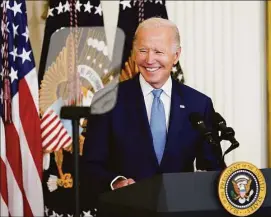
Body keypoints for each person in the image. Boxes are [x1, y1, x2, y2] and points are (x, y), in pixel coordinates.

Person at [82, 17, 225, 195]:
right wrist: (116, 182)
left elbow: (213, 168)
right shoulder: (106, 100)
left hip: (180, 207)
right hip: (125, 208)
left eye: (159, 52)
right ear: (134, 53)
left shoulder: (198, 104)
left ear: (176, 56)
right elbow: (90, 165)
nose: (150, 60)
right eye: (143, 50)